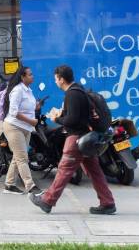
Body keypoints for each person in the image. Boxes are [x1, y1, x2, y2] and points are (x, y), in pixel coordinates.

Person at [29, 64, 115, 215]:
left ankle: (47, 200)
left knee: (64, 170)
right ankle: (107, 202)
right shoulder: (78, 91)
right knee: (95, 172)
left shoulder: (72, 93)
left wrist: (58, 119)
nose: (55, 82)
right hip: (85, 138)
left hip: (76, 138)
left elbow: (73, 120)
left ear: (61, 79)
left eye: (56, 79)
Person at [2, 66, 41, 195]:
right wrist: (31, 121)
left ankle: (9, 184)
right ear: (22, 77)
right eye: (30, 74)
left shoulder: (28, 90)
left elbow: (26, 108)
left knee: (17, 157)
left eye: (32, 74)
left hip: (25, 128)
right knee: (22, 158)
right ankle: (30, 186)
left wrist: (36, 106)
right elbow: (13, 112)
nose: (32, 76)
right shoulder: (17, 90)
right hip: (14, 127)